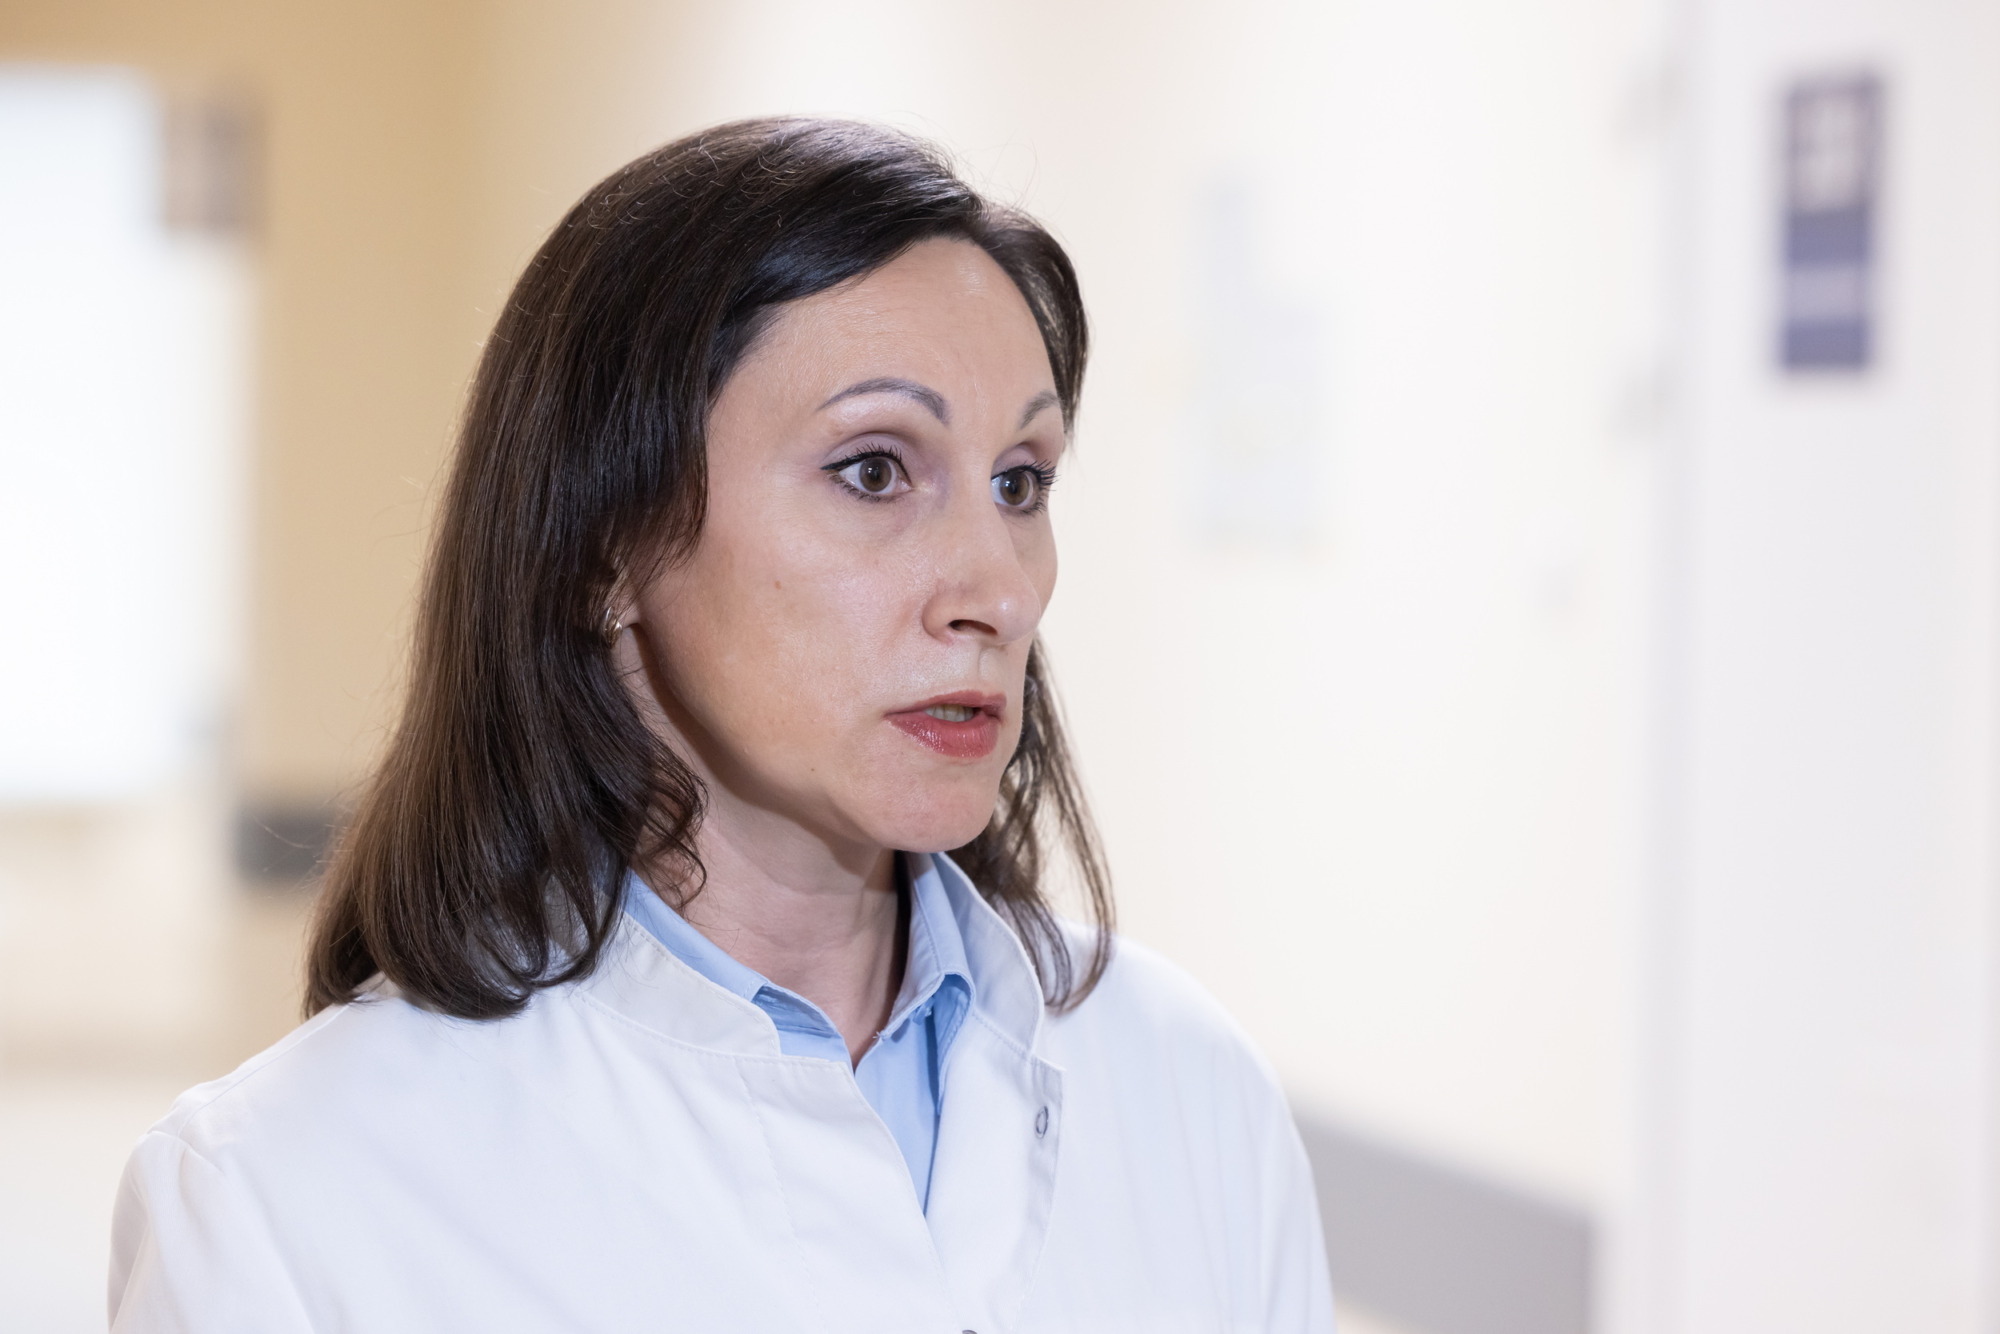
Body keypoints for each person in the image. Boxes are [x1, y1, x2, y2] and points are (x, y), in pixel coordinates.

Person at [108, 117, 1335, 1333]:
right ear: (605, 542)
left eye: (1019, 480)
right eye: (873, 469)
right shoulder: (283, 1198)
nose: (999, 590)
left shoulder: (1191, 1091)